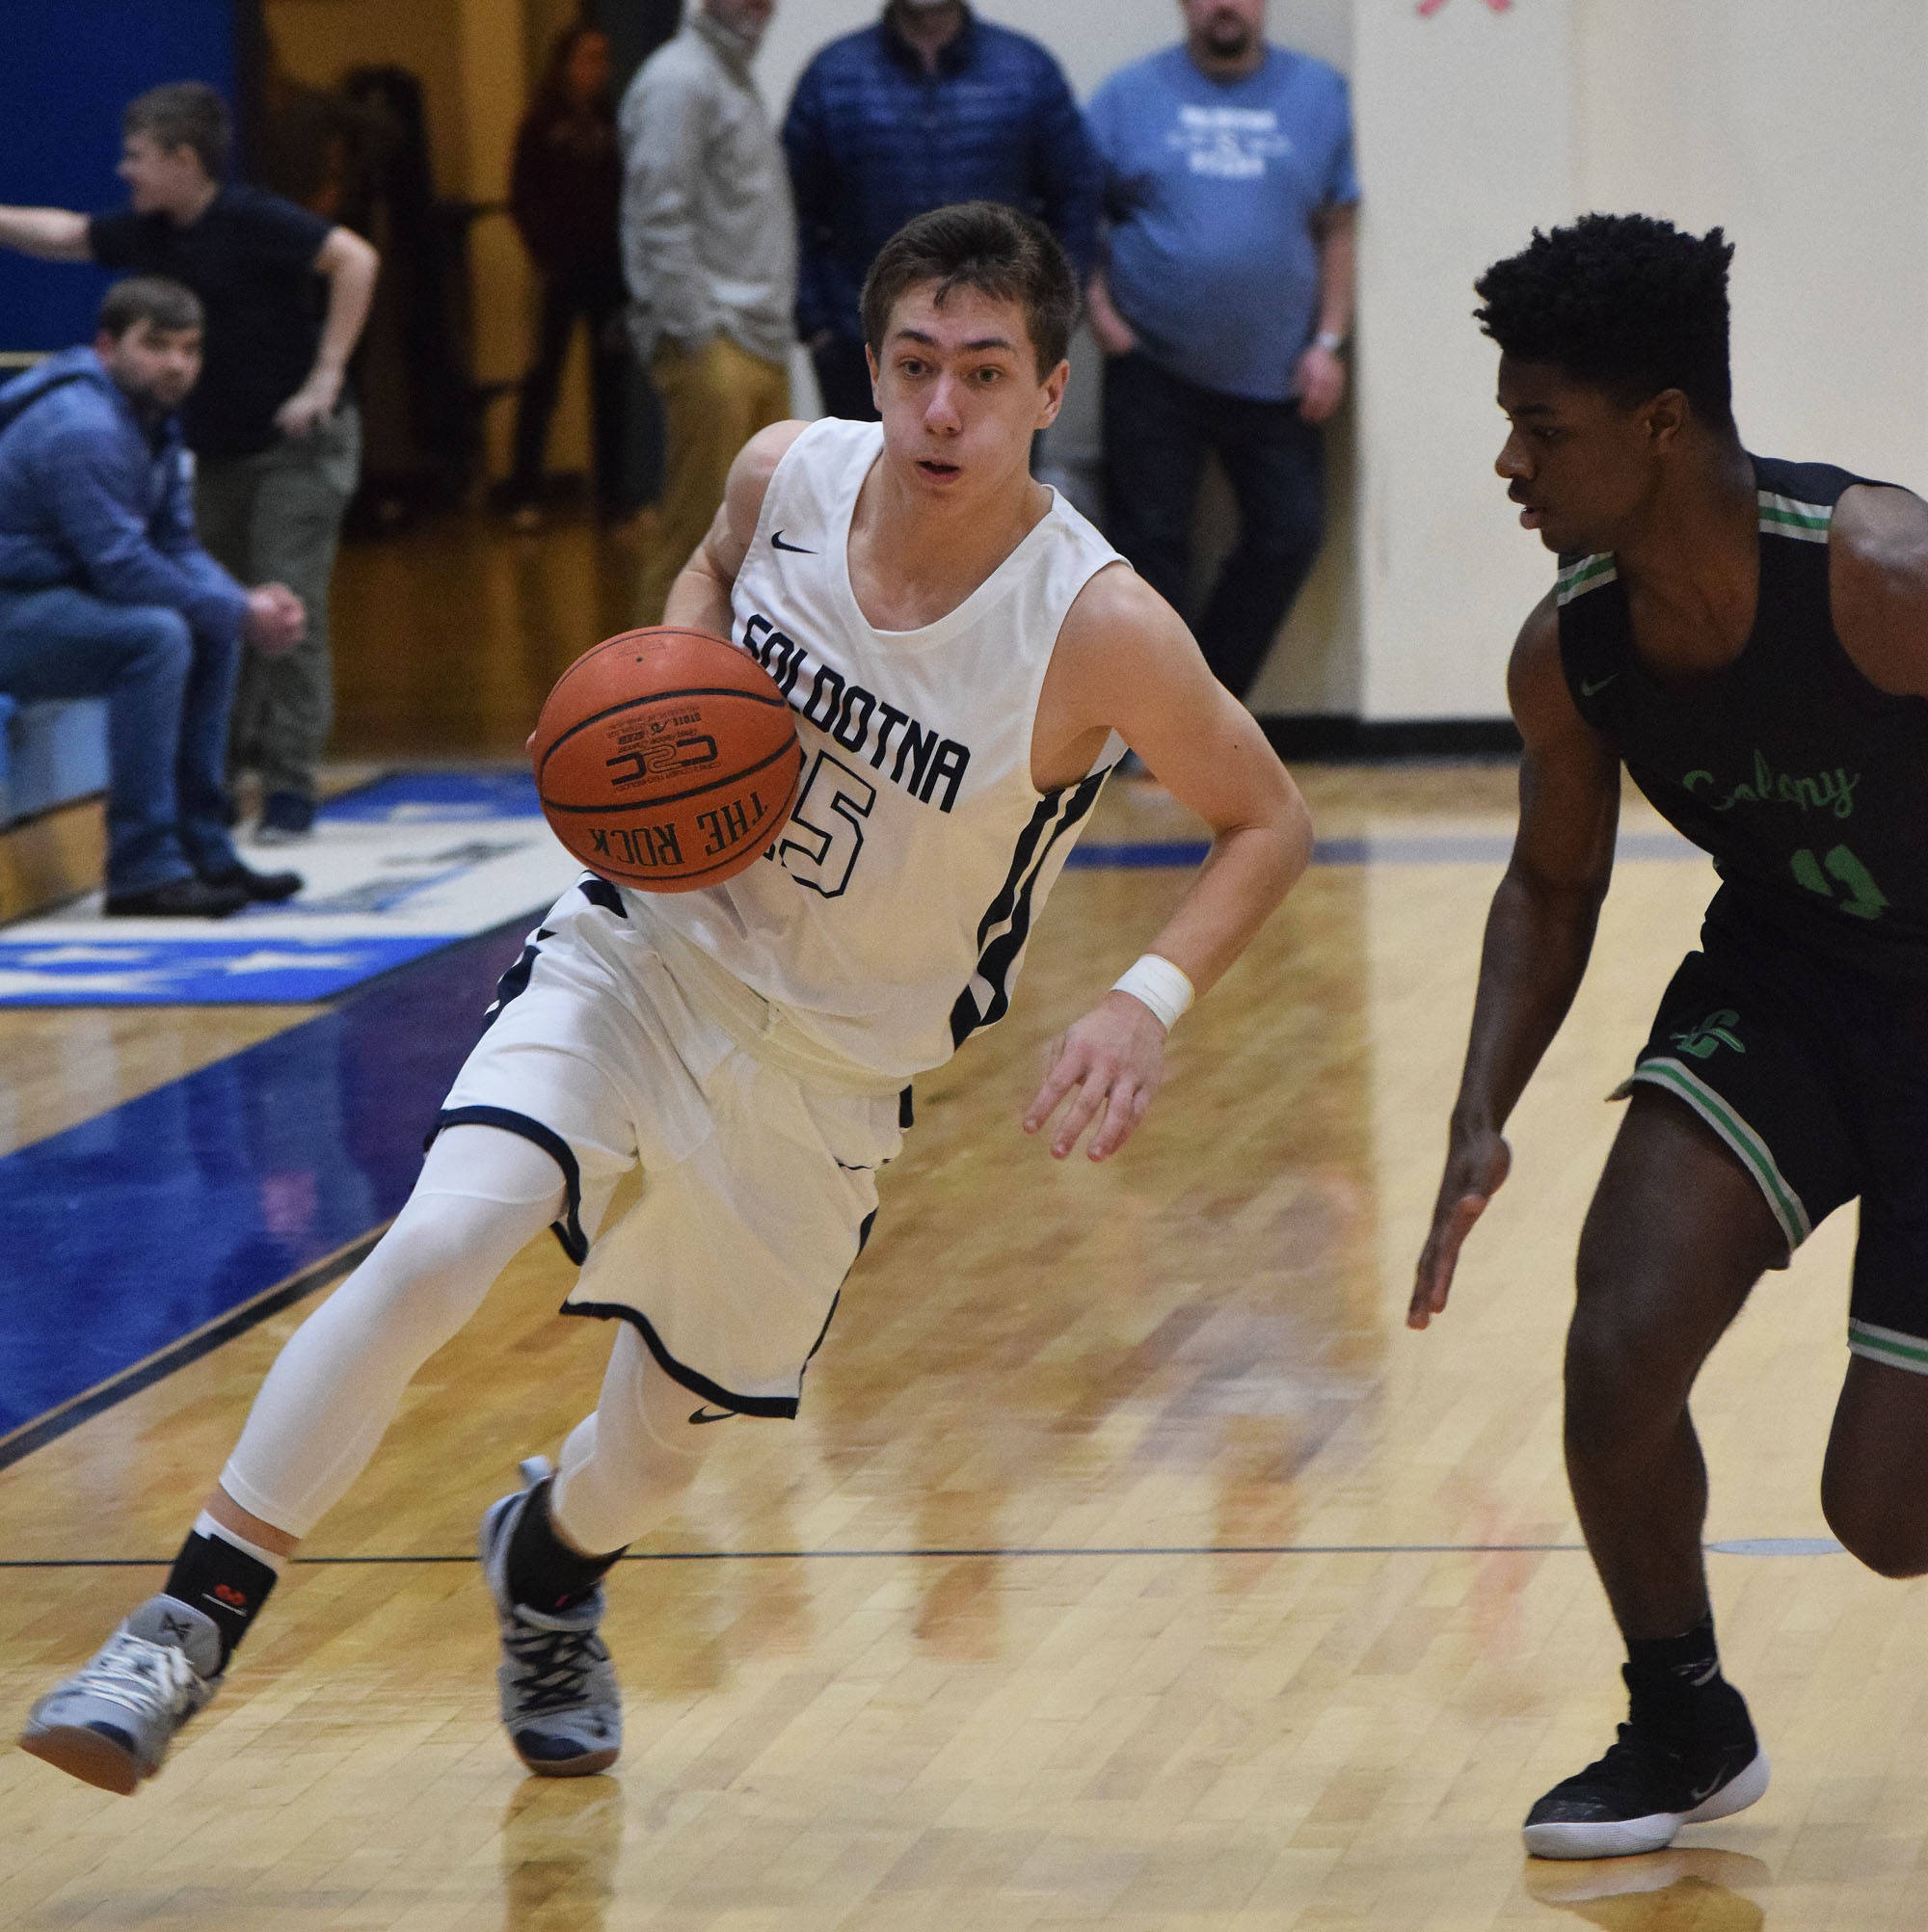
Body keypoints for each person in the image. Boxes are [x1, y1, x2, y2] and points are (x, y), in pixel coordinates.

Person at [18, 201, 1311, 1796]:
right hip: (647, 950)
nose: (941, 408)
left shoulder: (1097, 627)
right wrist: (675, 706)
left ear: (1053, 391)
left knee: (653, 1446)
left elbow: (1271, 816)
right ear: (873, 360)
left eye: (985, 372)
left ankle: (548, 1566)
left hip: (834, 1070)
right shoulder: (783, 473)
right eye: (913, 363)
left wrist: (1143, 996)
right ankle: (186, 1619)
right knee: (434, 1241)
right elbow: (702, 571)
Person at [1412, 212, 1928, 1859]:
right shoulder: (1573, 651)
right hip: (1787, 981)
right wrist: (1480, 1107)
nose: (1510, 459)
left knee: (1887, 1510)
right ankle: (1686, 1720)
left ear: (1662, 425)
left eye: (1540, 426)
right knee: (1619, 1340)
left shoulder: (1878, 574)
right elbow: (1550, 886)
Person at [0, 82, 380, 845]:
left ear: (182, 157)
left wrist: (326, 376)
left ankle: (289, 786)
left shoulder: (254, 219)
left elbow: (354, 260)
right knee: (215, 603)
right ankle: (216, 780)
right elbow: (65, 234)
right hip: (221, 454)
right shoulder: (151, 233)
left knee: (283, 601)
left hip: (296, 449)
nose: (123, 171)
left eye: (137, 156)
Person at [0, 279, 305, 918]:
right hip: (16, 606)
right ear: (106, 345)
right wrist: (239, 612)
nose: (176, 365)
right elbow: (123, 568)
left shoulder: (147, 418)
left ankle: (203, 850)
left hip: (52, 599)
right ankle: (143, 870)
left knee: (206, 626)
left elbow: (175, 544)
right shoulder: (81, 426)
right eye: (157, 346)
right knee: (156, 635)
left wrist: (242, 604)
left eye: (190, 349)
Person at [1085, 0, 1357, 701]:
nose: (1224, 5)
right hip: (1151, 367)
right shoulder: (1126, 95)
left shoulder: (1320, 93)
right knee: (1148, 552)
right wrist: (1102, 320)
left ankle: (1205, 707)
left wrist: (1329, 341)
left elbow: (1339, 226)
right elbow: (1076, 216)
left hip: (1281, 373)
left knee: (1291, 534)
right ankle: (1157, 726)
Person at [783, 0, 1101, 423]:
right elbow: (789, 210)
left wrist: (1055, 318)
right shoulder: (831, 76)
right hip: (859, 349)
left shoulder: (1028, 72)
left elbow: (1077, 195)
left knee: (994, 489)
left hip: (999, 353)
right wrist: (816, 324)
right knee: (867, 487)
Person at [620, 0, 795, 626]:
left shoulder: (730, 77)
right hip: (715, 346)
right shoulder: (679, 78)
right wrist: (699, 334)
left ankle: (733, 704)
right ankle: (649, 701)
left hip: (756, 342)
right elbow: (655, 216)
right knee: (697, 541)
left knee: (763, 540)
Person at [502, 23, 629, 528]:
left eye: (602, 59)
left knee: (611, 386)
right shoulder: (541, 122)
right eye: (585, 58)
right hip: (560, 270)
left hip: (608, 272)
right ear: (564, 63)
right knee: (544, 381)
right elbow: (522, 195)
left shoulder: (612, 119)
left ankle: (614, 502)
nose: (594, 70)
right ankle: (522, 493)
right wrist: (544, 253)